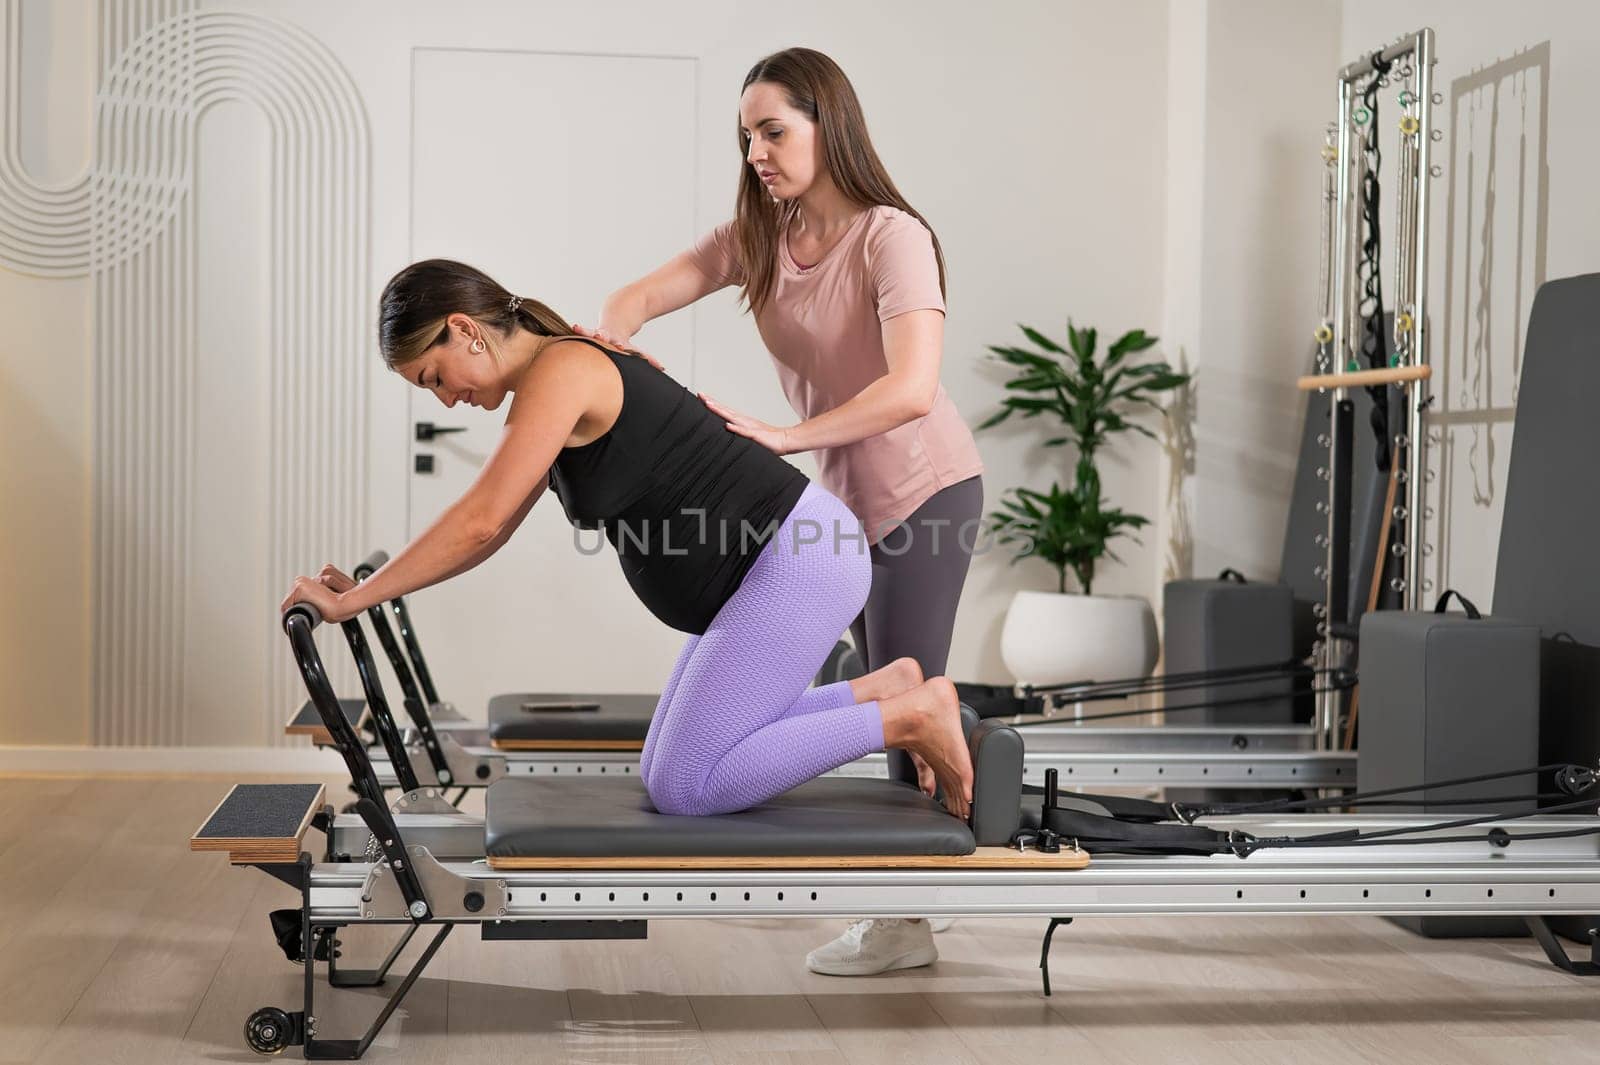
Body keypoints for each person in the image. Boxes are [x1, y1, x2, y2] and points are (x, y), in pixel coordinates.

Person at [280, 258, 973, 824]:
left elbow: (478, 519)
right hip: (777, 567)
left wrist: (360, 599)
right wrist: (370, 591)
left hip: (797, 561)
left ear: (465, 329)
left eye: (434, 377)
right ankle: (886, 688)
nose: (444, 398)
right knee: (660, 766)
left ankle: (910, 716)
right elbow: (486, 532)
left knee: (689, 784)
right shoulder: (549, 384)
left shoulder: (563, 369)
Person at [573, 47, 982, 976]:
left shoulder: (891, 237)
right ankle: (913, 890)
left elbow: (914, 389)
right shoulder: (756, 235)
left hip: (924, 491)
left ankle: (907, 918)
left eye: (773, 130)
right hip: (832, 503)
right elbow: (635, 297)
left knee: (909, 692)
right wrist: (612, 357)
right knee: (877, 684)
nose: (757, 151)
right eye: (746, 136)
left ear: (826, 123)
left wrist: (781, 438)